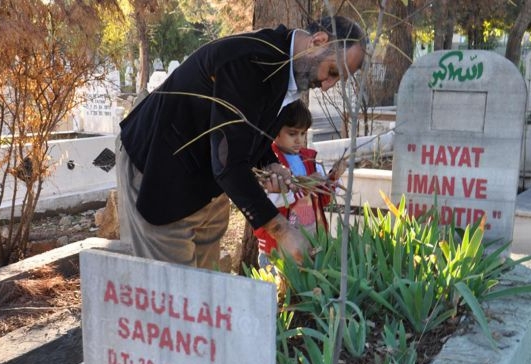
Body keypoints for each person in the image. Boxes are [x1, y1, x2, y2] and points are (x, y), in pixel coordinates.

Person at [117, 16, 366, 269]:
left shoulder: (287, 68)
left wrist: (269, 162)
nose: (327, 86)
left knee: (202, 290)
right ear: (319, 41)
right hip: (161, 171)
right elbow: (228, 162)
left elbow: (247, 125)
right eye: (332, 72)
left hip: (204, 185)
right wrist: (281, 230)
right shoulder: (250, 62)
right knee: (172, 295)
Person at [254, 99, 344, 268]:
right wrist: (309, 186)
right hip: (277, 247)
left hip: (310, 241)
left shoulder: (309, 160)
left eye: (303, 134)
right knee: (278, 292)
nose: (299, 140)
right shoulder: (267, 165)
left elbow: (321, 201)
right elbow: (266, 207)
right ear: (275, 131)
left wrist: (332, 178)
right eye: (292, 133)